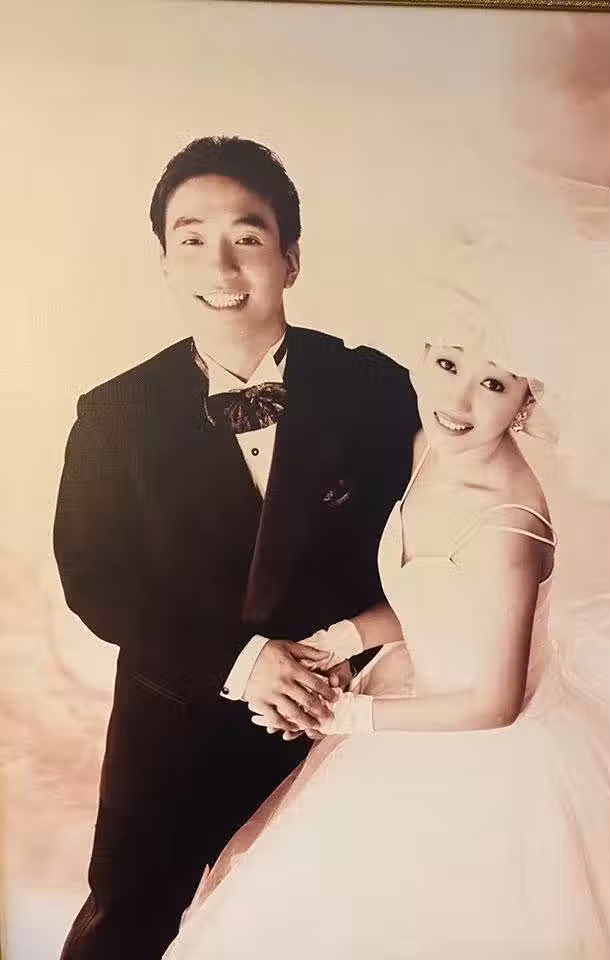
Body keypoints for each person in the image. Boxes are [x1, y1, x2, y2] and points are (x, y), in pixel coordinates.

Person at [162, 173, 610, 960]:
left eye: (494, 383)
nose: (459, 401)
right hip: (409, 708)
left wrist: (344, 717)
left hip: (490, 759)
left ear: (529, 400)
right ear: (421, 355)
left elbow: (495, 702)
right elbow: (431, 608)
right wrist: (338, 642)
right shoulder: (426, 450)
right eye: (447, 363)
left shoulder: (509, 523)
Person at [53, 135, 419, 960]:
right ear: (164, 262)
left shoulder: (376, 388)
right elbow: (96, 580)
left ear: (291, 259)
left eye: (247, 237)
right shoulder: (114, 413)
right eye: (191, 240)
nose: (220, 266)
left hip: (341, 722)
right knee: (130, 925)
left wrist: (342, 653)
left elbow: (429, 551)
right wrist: (245, 661)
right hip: (172, 723)